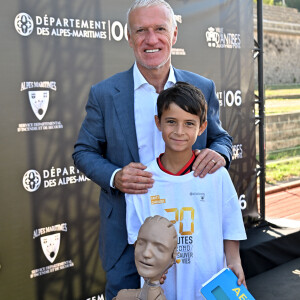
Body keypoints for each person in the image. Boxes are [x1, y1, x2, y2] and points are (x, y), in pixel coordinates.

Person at [72, 0, 233, 298]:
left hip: (190, 237)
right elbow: (83, 152)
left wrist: (220, 153)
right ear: (129, 37)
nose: (151, 39)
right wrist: (116, 176)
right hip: (127, 236)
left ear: (174, 35)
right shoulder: (105, 94)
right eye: (141, 30)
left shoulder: (203, 87)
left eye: (160, 29)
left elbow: (220, 138)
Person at [125, 82, 246, 299]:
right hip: (164, 289)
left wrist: (234, 261)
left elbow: (231, 226)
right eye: (171, 122)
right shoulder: (142, 181)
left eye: (189, 123)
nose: (179, 131)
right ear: (158, 123)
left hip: (211, 283)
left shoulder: (216, 175)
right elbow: (137, 238)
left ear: (202, 127)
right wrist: (151, 272)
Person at [113, 216, 177, 300]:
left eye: (159, 248)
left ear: (172, 258)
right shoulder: (122, 296)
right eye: (141, 243)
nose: (146, 253)